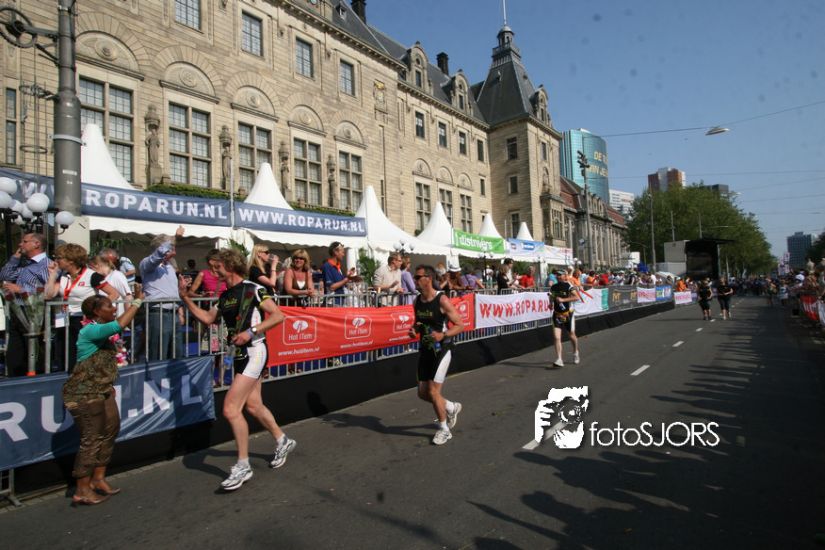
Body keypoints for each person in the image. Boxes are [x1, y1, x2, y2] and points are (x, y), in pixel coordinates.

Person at [179, 249, 295, 491]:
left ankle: (243, 465)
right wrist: (185, 298)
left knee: (231, 409)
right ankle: (282, 440)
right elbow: (208, 318)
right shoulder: (225, 295)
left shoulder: (253, 289)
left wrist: (251, 332)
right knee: (253, 405)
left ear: (230, 266)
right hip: (240, 355)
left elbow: (278, 316)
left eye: (217, 266)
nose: (213, 270)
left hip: (255, 351)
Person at [63, 286, 145, 505]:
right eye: (109, 306)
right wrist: (137, 301)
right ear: (97, 312)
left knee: (110, 429)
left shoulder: (100, 331)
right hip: (85, 393)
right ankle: (82, 488)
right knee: (91, 437)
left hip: (102, 390)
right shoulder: (90, 331)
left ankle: (98, 478)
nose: (114, 309)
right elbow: (119, 324)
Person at [408, 265, 465, 445]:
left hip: (442, 349)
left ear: (429, 278)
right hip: (425, 350)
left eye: (418, 277)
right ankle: (450, 407)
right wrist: (414, 330)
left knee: (433, 392)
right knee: (422, 393)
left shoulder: (442, 300)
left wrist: (443, 335)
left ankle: (444, 430)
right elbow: (418, 323)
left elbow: (460, 325)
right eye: (415, 277)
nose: (415, 280)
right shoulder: (417, 301)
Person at [45, 244, 119, 373]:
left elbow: (114, 294)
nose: (56, 260)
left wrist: (96, 311)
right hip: (65, 319)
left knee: (82, 353)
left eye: (59, 258)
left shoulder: (92, 276)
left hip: (84, 320)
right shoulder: (63, 276)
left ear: (71, 260)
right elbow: (48, 295)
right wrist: (52, 275)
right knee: (64, 352)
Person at [0, 233, 50, 376]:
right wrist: (15, 258)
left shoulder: (46, 264)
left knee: (32, 348)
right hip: (18, 309)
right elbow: (4, 276)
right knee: (16, 349)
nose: (20, 244)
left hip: (35, 312)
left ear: (36, 244)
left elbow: (49, 290)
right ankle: (15, 376)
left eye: (24, 241)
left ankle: (35, 375)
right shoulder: (25, 264)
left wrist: (21, 289)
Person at [140, 226, 185, 361]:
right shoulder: (147, 263)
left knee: (176, 354)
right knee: (159, 355)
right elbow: (158, 255)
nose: (174, 252)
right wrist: (175, 238)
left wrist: (180, 309)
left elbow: (171, 291)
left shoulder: (170, 267)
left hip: (173, 314)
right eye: (172, 248)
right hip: (158, 314)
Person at [549, 270, 580, 367]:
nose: (558, 276)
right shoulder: (553, 287)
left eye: (560, 275)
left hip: (568, 314)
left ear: (564, 276)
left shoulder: (568, 286)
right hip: (557, 314)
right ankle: (559, 359)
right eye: (557, 275)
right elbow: (551, 296)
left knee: (571, 335)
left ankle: (575, 352)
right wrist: (550, 303)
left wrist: (563, 299)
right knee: (557, 337)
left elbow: (576, 297)